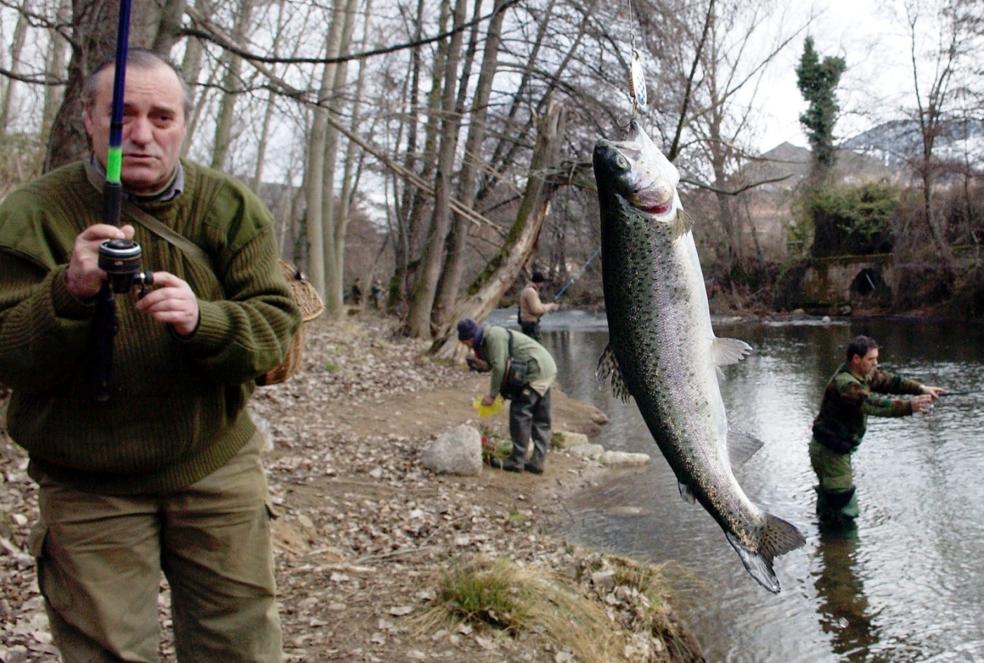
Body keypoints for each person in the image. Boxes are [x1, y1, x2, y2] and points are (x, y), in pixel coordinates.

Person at [0, 49, 300, 661]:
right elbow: (6, 355)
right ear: (86, 119)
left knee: (238, 646)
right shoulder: (29, 216)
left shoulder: (230, 209)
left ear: (184, 124)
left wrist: (204, 322)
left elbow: (275, 328)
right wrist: (69, 291)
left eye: (161, 117)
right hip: (87, 486)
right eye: (119, 119)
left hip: (212, 464)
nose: (140, 135)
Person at [809, 335, 944, 524]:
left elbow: (890, 381)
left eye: (876, 358)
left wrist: (921, 388)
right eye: (871, 359)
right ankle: (845, 549)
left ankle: (827, 547)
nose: (875, 363)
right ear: (856, 359)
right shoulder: (846, 385)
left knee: (831, 503)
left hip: (830, 449)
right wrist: (909, 406)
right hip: (830, 452)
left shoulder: (864, 373)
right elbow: (872, 404)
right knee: (844, 507)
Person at [457, 318, 557, 474]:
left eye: (466, 343)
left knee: (519, 413)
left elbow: (499, 366)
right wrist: (481, 366)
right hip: (546, 367)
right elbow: (496, 362)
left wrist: (492, 395)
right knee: (541, 418)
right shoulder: (488, 337)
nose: (468, 347)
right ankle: (537, 462)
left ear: (469, 338)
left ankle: (516, 461)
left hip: (535, 371)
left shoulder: (493, 337)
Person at [518, 270, 558, 341]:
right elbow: (536, 310)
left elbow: (537, 306)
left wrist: (549, 305)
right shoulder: (531, 292)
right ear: (538, 282)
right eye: (542, 282)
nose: (543, 284)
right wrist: (550, 307)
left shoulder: (528, 290)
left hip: (528, 324)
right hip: (531, 325)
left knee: (531, 348)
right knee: (538, 348)